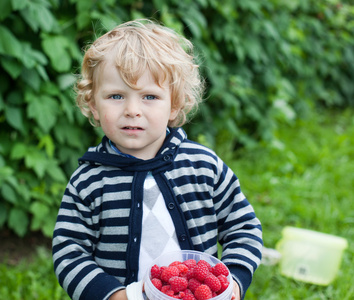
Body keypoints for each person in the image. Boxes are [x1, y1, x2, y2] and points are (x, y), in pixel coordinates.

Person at [52, 19, 263, 300]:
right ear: (93, 104)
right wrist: (112, 295)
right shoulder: (89, 181)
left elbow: (242, 227)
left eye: (150, 96)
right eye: (116, 96)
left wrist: (235, 279)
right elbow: (69, 251)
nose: (132, 110)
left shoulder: (204, 166)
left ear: (174, 103)